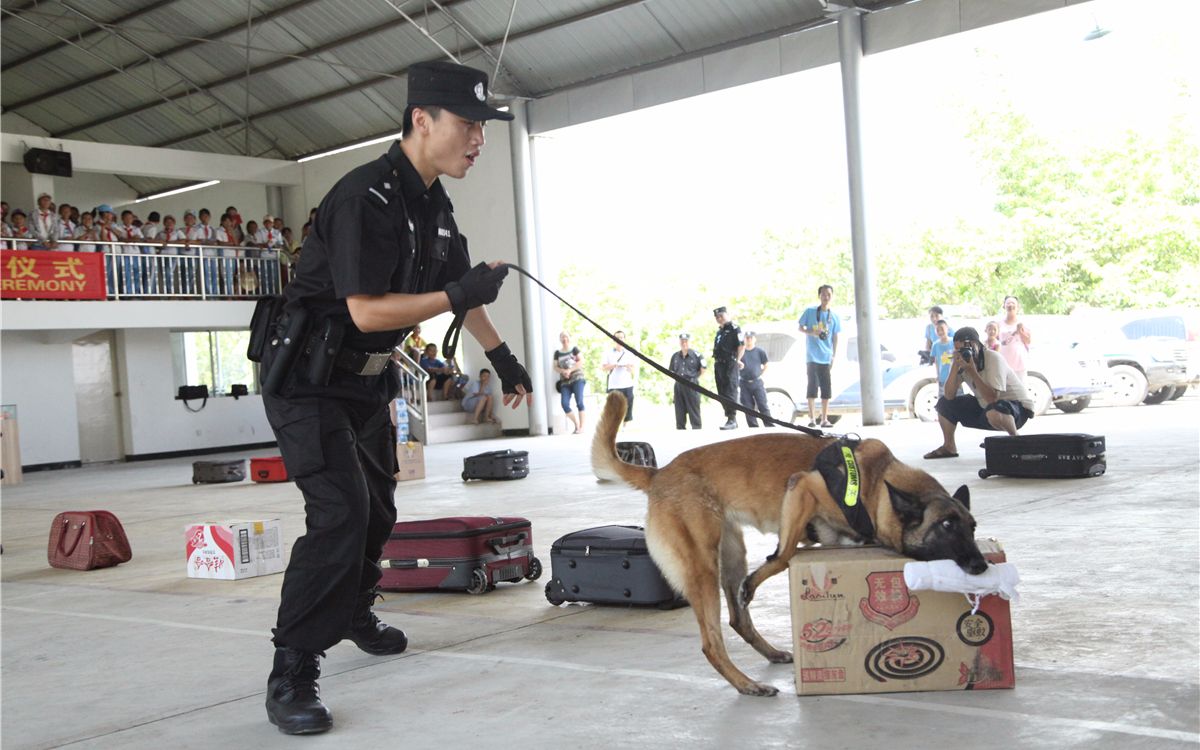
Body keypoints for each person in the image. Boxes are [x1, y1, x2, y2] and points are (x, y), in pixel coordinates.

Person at [257, 60, 528, 736]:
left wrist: (502, 357)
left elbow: (463, 284)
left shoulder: (434, 205)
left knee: (378, 510)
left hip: (364, 381)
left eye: (483, 129)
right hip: (308, 380)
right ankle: (293, 666)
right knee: (341, 514)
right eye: (468, 125)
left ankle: (352, 609)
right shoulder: (365, 197)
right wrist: (458, 298)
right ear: (421, 121)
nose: (478, 139)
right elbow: (369, 310)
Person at [923, 327, 1034, 459]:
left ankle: (1016, 442)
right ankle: (949, 446)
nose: (963, 353)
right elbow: (948, 395)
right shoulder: (962, 363)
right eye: (958, 350)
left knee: (994, 410)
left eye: (965, 349)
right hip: (985, 408)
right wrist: (954, 366)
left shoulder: (993, 358)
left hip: (1016, 409)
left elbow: (992, 398)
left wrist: (972, 371)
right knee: (944, 404)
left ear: (975, 344)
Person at [797, 284, 841, 428]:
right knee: (812, 386)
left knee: (826, 388)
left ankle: (824, 419)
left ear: (832, 296)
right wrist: (812, 332)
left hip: (826, 357)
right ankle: (811, 418)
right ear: (819, 296)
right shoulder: (810, 312)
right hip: (812, 357)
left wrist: (833, 356)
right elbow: (800, 327)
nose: (826, 297)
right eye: (823, 294)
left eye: (828, 294)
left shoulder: (834, 316)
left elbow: (835, 337)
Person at [711, 306, 744, 430]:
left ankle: (732, 418)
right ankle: (728, 416)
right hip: (719, 363)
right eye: (717, 317)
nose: (719, 319)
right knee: (722, 391)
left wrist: (737, 360)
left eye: (721, 316)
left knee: (730, 389)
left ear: (727, 315)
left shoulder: (735, 329)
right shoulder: (720, 332)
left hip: (730, 363)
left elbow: (741, 346)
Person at [669, 332, 706, 430]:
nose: (684, 343)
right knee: (679, 411)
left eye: (686, 341)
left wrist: (694, 379)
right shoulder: (675, 356)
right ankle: (681, 432)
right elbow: (671, 371)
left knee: (694, 410)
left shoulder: (697, 355)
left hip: (692, 384)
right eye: (682, 341)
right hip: (678, 385)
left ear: (689, 342)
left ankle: (697, 432)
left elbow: (703, 369)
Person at [553, 331, 586, 434]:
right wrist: (563, 371)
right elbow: (555, 366)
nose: (564, 339)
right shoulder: (557, 353)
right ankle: (576, 424)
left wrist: (570, 370)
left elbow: (581, 361)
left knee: (579, 402)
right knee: (564, 403)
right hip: (565, 381)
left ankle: (582, 427)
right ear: (560, 339)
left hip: (577, 378)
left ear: (569, 338)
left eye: (566, 336)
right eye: (562, 337)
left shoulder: (574, 349)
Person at [602, 330, 636, 423]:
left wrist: (628, 366)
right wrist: (614, 365)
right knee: (614, 408)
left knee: (628, 406)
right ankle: (615, 426)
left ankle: (625, 427)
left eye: (622, 337)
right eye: (617, 337)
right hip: (614, 385)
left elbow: (633, 369)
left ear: (624, 339)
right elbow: (603, 367)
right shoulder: (608, 352)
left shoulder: (629, 352)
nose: (620, 339)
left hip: (627, 384)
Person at [738, 331, 771, 427]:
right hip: (744, 382)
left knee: (763, 405)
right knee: (748, 407)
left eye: (750, 338)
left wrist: (760, 374)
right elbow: (736, 364)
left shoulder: (760, 351)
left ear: (754, 339)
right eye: (747, 338)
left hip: (757, 382)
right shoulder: (741, 352)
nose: (749, 339)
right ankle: (753, 427)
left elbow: (766, 364)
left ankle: (769, 426)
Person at [998, 295, 1031, 383]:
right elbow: (995, 341)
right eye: (1008, 303)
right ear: (1004, 306)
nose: (1010, 305)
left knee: (1021, 390)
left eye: (1013, 303)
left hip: (1019, 364)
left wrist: (1020, 331)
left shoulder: (1023, 322)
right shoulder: (998, 323)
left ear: (1018, 307)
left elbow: (1028, 341)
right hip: (1003, 363)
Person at [930, 319, 956, 396]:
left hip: (955, 377)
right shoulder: (935, 345)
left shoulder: (954, 342)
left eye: (942, 329)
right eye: (937, 330)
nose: (940, 332)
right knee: (943, 399)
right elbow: (937, 361)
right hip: (943, 377)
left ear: (947, 329)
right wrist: (938, 375)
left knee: (958, 398)